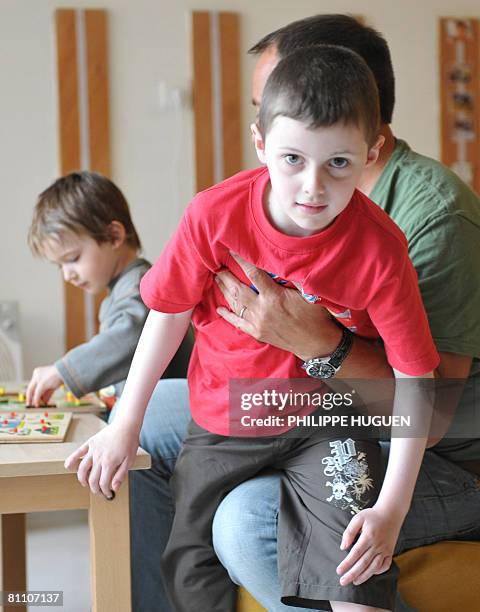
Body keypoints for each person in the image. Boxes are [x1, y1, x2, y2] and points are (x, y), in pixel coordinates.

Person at [122, 14, 480, 612]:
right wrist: (123, 426)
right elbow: (171, 308)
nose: (311, 186)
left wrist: (320, 346)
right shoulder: (224, 210)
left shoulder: (422, 222)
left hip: (417, 443)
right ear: (265, 138)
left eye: (337, 161)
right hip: (268, 398)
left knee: (245, 522)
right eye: (287, 152)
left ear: (369, 137)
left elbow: (430, 407)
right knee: (142, 417)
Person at [26, 171, 191, 410]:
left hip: (170, 404)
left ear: (114, 236)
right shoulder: (122, 289)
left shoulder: (143, 285)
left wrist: (63, 370)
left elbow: (129, 335)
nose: (67, 274)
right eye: (59, 265)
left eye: (72, 258)